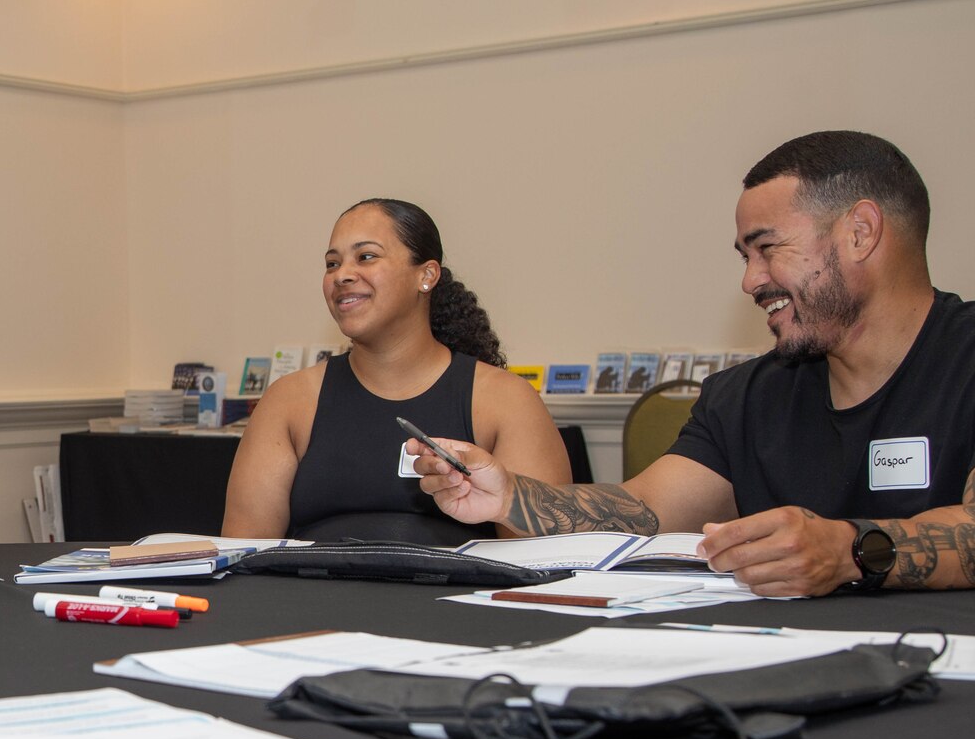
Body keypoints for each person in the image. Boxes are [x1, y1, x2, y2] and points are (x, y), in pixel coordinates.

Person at [412, 130, 975, 597]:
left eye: (767, 248)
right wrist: (511, 495)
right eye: (744, 257)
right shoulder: (744, 398)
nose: (751, 280)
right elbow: (645, 509)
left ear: (860, 232)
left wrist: (851, 550)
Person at [223, 198, 570, 545]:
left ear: (427, 275)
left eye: (366, 256)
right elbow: (243, 551)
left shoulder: (505, 401)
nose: (341, 274)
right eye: (332, 263)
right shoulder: (289, 401)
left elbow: (541, 559)